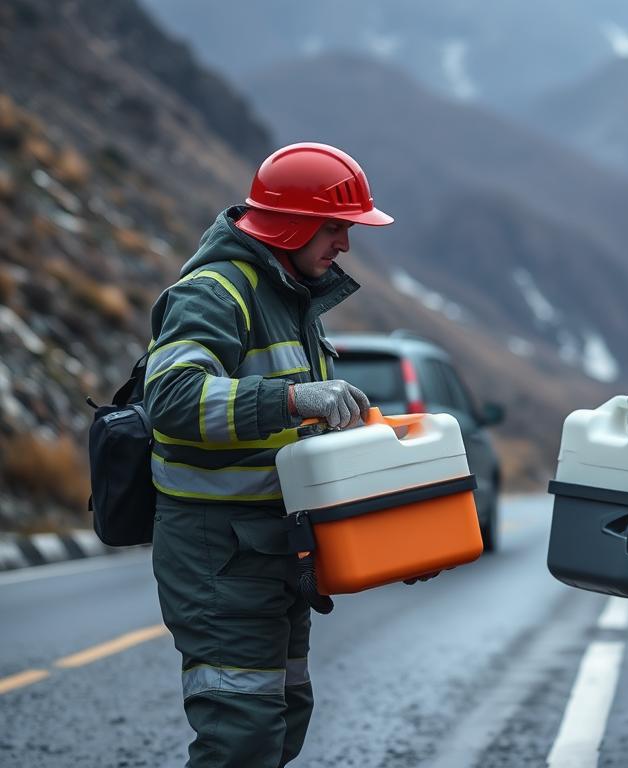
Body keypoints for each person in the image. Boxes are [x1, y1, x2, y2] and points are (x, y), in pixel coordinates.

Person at [144, 142, 392, 767]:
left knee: (284, 715)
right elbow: (172, 398)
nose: (345, 245)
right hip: (217, 550)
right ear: (292, 223)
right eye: (336, 227)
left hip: (274, 544)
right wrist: (290, 398)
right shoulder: (216, 293)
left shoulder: (291, 298)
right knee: (243, 731)